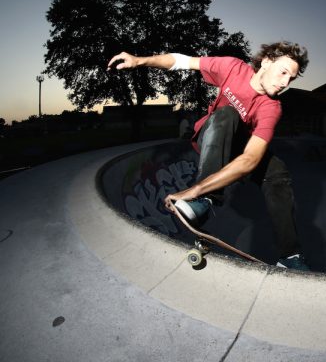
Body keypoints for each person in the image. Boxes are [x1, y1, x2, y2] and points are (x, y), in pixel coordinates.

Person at [107, 42, 310, 270]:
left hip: (240, 152)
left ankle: (290, 256)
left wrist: (195, 188)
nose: (285, 83)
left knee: (277, 171)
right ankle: (206, 201)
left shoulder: (271, 108)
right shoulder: (232, 68)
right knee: (227, 114)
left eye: (291, 79)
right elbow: (182, 61)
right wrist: (139, 60)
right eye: (283, 72)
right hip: (212, 136)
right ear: (266, 62)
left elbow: (251, 160)